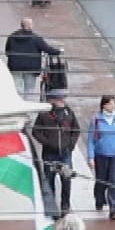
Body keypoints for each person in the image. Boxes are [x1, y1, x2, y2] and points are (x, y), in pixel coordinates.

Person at [29, 91, 78, 222]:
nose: (62, 101)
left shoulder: (69, 113)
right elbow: (36, 131)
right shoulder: (44, 114)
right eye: (59, 99)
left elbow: (76, 130)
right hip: (49, 154)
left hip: (65, 154)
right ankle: (52, 208)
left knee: (66, 180)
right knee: (49, 181)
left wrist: (70, 145)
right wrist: (47, 143)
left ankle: (65, 206)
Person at [85, 96, 115, 219]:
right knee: (101, 180)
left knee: (114, 180)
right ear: (104, 105)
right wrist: (90, 156)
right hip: (101, 154)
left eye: (114, 104)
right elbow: (90, 140)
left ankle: (114, 208)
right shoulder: (96, 120)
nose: (113, 106)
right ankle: (99, 199)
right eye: (110, 104)